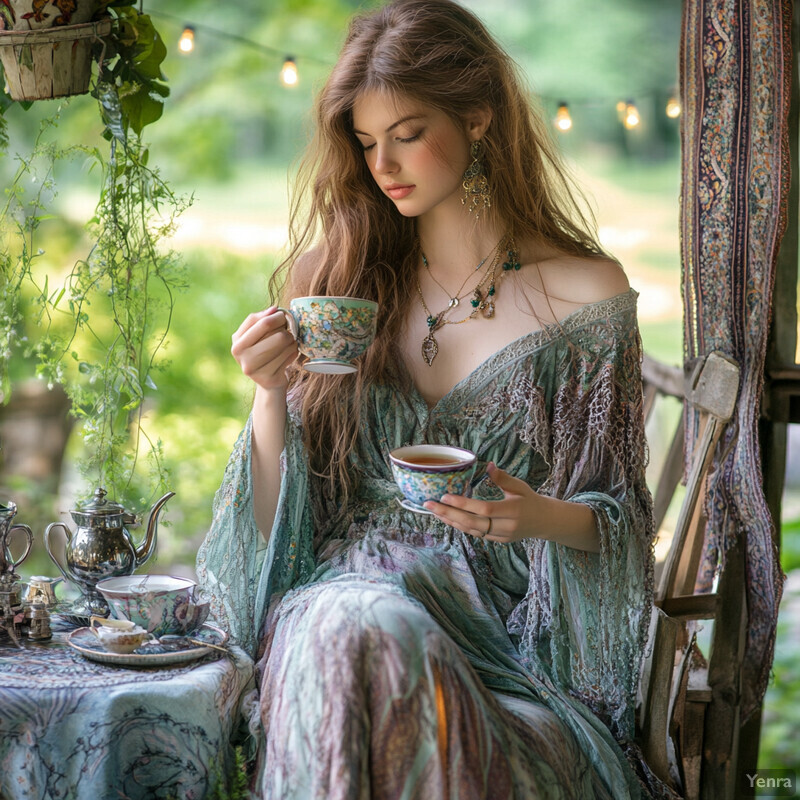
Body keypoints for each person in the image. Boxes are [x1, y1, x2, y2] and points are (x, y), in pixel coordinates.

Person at [197, 1, 671, 797]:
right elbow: (279, 524)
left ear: (479, 115)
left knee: (368, 639)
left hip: (500, 641)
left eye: (409, 134)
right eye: (367, 141)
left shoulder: (585, 296)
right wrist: (269, 397)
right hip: (339, 601)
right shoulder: (336, 281)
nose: (385, 164)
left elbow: (617, 516)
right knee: (355, 627)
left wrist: (535, 516)